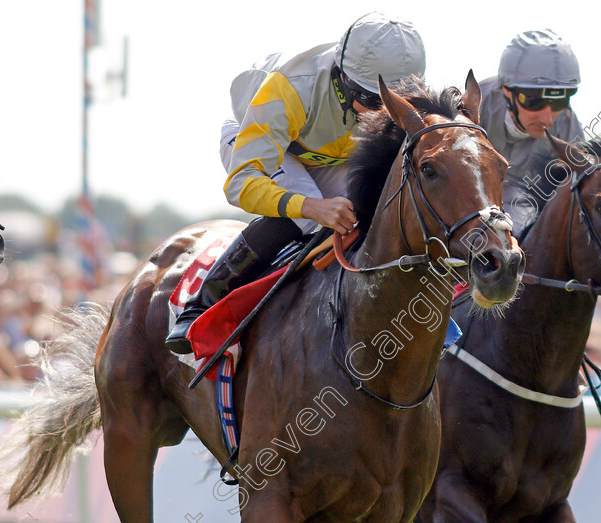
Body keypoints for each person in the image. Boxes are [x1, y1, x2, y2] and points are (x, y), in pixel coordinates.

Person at [166, 12, 426, 353]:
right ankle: (204, 301)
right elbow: (241, 183)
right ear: (343, 80)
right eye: (374, 102)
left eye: (393, 105)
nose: (382, 116)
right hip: (262, 141)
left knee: (374, 209)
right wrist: (312, 206)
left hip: (329, 156)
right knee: (306, 213)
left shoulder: (390, 90)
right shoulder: (290, 88)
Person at [478, 29, 584, 238]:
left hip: (531, 213)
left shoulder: (567, 123)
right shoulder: (473, 110)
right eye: (535, 101)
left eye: (559, 102)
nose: (547, 118)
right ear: (507, 91)